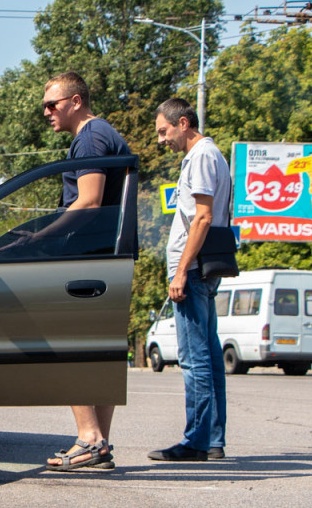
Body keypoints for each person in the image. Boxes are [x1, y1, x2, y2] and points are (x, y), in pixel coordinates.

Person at [27, 71, 132, 471]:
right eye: (44, 107)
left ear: (75, 101)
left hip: (89, 258)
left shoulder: (89, 137)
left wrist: (42, 236)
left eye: (52, 104)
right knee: (101, 350)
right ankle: (99, 444)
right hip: (108, 257)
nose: (47, 112)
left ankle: (88, 437)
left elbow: (87, 202)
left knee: (69, 345)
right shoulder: (103, 134)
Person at [147, 97, 230, 462]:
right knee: (209, 359)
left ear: (183, 123)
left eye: (164, 131)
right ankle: (212, 440)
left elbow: (202, 218)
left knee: (194, 360)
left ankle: (196, 442)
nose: (162, 140)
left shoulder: (200, 156)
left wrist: (181, 271)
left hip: (193, 271)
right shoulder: (211, 155)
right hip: (200, 269)